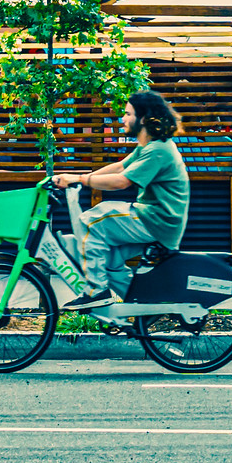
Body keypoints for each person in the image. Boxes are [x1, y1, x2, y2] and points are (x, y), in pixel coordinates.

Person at [51, 90, 189, 313]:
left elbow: (122, 181)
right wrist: (79, 178)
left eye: (127, 114)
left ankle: (96, 291)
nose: (122, 119)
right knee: (110, 259)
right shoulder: (151, 146)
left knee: (91, 219)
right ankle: (142, 307)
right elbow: (120, 167)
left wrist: (80, 180)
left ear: (143, 118)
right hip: (158, 220)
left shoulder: (158, 150)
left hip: (156, 219)